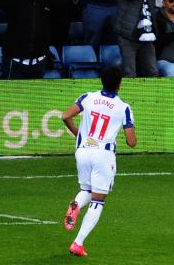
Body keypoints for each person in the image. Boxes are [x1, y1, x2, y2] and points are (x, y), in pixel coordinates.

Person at [61, 65, 137, 258]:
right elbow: (131, 142)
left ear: (101, 81)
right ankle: (78, 243)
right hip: (103, 155)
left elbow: (65, 116)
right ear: (119, 85)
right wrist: (131, 136)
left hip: (83, 151)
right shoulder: (124, 108)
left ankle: (76, 204)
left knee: (86, 190)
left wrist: (78, 134)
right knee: (98, 200)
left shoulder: (87, 97)